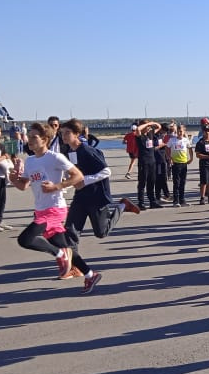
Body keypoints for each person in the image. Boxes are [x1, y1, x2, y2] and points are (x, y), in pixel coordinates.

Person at [10, 123, 102, 293]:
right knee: (65, 245)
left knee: (25, 239)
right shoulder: (29, 161)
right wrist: (13, 178)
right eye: (28, 137)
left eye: (34, 137)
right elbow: (23, 185)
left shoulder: (55, 157)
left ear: (45, 139)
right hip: (41, 209)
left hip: (54, 209)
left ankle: (59, 255)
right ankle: (91, 275)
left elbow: (78, 176)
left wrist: (57, 186)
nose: (29, 140)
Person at [58, 119, 140, 260]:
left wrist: (85, 181)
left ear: (77, 134)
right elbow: (74, 171)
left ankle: (122, 205)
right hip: (80, 196)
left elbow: (107, 171)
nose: (64, 136)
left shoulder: (88, 150)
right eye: (62, 133)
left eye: (67, 133)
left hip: (97, 196)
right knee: (71, 230)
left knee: (101, 232)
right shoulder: (68, 151)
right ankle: (74, 264)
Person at [134, 121, 164, 209]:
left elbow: (159, 126)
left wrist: (151, 123)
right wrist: (147, 124)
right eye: (146, 126)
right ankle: (141, 203)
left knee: (151, 182)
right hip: (143, 162)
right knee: (142, 182)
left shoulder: (150, 134)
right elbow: (137, 129)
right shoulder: (139, 135)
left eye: (149, 127)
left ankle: (152, 202)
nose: (148, 128)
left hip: (152, 161)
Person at [166, 123, 194, 206]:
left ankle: (182, 200)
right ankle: (176, 200)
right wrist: (169, 158)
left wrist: (191, 158)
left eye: (181, 131)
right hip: (175, 163)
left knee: (183, 182)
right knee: (176, 183)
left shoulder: (186, 140)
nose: (179, 133)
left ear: (184, 131)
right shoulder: (172, 140)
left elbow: (190, 149)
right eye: (178, 131)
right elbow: (167, 148)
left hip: (184, 163)